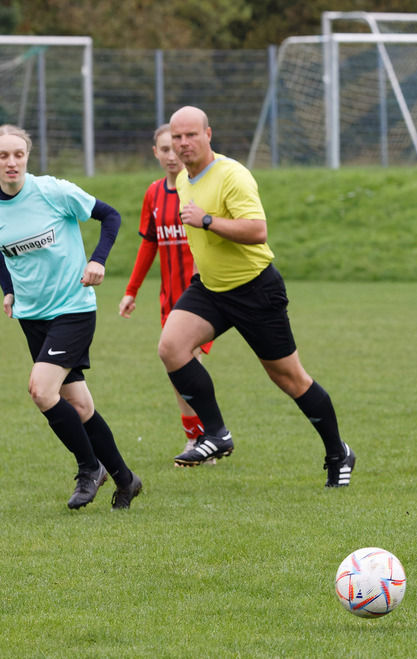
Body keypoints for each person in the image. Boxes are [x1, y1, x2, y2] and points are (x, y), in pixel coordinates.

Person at [158, 105, 356, 486]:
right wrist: (200, 270)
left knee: (289, 378)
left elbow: (257, 230)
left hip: (255, 290)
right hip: (211, 288)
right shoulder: (184, 178)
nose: (183, 144)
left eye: (191, 135)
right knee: (171, 347)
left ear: (208, 135)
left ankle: (338, 452)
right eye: (176, 137)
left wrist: (207, 221)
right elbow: (199, 239)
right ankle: (216, 433)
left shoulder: (232, 175)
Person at [0, 124, 143, 510]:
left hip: (73, 308)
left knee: (41, 391)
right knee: (79, 407)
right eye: (3, 155)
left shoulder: (53, 190)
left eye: (19, 154)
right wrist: (8, 288)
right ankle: (125, 480)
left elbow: (110, 216)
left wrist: (98, 260)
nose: (12, 162)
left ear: (27, 156)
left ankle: (90, 468)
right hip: (31, 316)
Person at [119, 124, 214, 459]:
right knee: (177, 370)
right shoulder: (153, 193)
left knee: (188, 362)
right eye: (164, 149)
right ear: (155, 153)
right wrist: (131, 291)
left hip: (202, 296)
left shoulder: (200, 189)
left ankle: (206, 437)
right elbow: (149, 244)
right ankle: (198, 436)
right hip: (170, 299)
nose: (171, 155)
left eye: (175, 148)